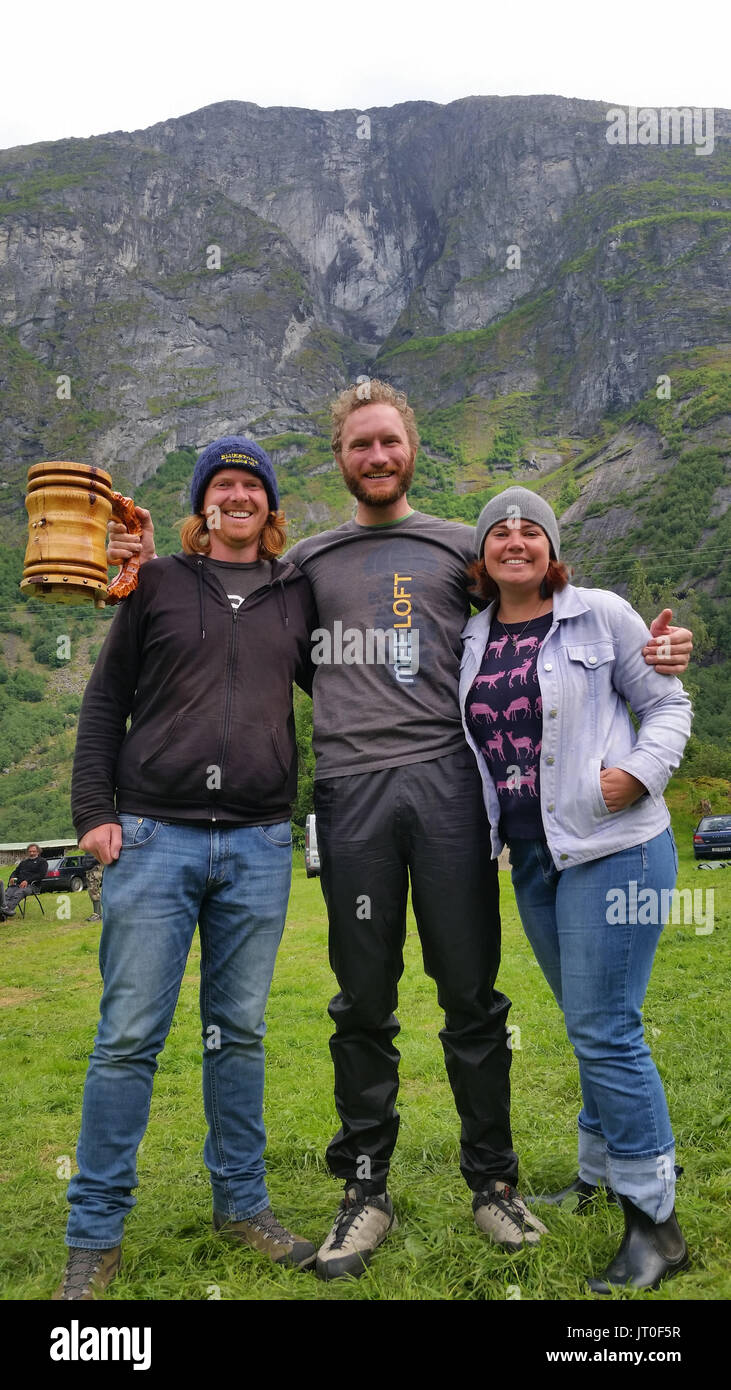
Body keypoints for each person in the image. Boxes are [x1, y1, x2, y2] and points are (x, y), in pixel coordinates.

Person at [112, 382, 693, 1283]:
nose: (376, 458)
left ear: (409, 448)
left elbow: (547, 603)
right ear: (339, 456)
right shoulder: (302, 561)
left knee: (472, 996)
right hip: (349, 794)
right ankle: (365, 1187)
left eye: (389, 442)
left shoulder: (467, 545)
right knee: (361, 1000)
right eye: (358, 446)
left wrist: (656, 654)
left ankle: (493, 1182)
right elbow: (221, 611)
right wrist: (146, 565)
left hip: (453, 793)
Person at [55, 437, 318, 1301]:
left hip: (256, 842)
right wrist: (94, 814)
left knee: (237, 1035)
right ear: (202, 505)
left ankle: (241, 1206)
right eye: (221, 485)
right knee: (128, 1038)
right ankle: (94, 1235)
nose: (235, 496)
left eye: (250, 486)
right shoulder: (157, 582)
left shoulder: (296, 592)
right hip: (154, 837)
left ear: (268, 507)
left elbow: (353, 686)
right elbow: (104, 703)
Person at [459, 487, 692, 1292]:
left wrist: (637, 772)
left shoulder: (599, 614)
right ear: (483, 554)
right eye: (499, 531)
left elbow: (666, 701)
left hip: (616, 848)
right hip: (532, 858)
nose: (515, 539)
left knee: (606, 1029)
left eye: (530, 529)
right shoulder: (473, 636)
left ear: (549, 545)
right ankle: (597, 1176)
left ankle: (654, 1224)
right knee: (585, 1021)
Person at [1, 843, 48, 919]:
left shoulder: (42, 862)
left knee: (18, 894)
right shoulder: (24, 862)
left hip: (32, 886)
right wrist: (12, 878)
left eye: (34, 851)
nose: (32, 853)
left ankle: (5, 913)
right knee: (7, 894)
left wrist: (27, 881)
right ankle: (3, 911)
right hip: (18, 884)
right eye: (30, 851)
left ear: (38, 852)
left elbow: (41, 875)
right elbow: (15, 872)